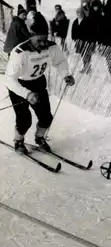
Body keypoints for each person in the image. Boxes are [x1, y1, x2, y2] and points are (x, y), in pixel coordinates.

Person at [5, 11, 75, 154]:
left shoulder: (51, 48)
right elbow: (10, 79)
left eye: (45, 39)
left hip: (38, 83)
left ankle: (39, 138)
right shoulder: (19, 53)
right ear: (30, 37)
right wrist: (26, 94)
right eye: (39, 41)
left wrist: (66, 74)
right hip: (20, 86)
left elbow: (60, 61)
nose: (43, 44)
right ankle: (19, 140)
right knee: (25, 120)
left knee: (46, 117)